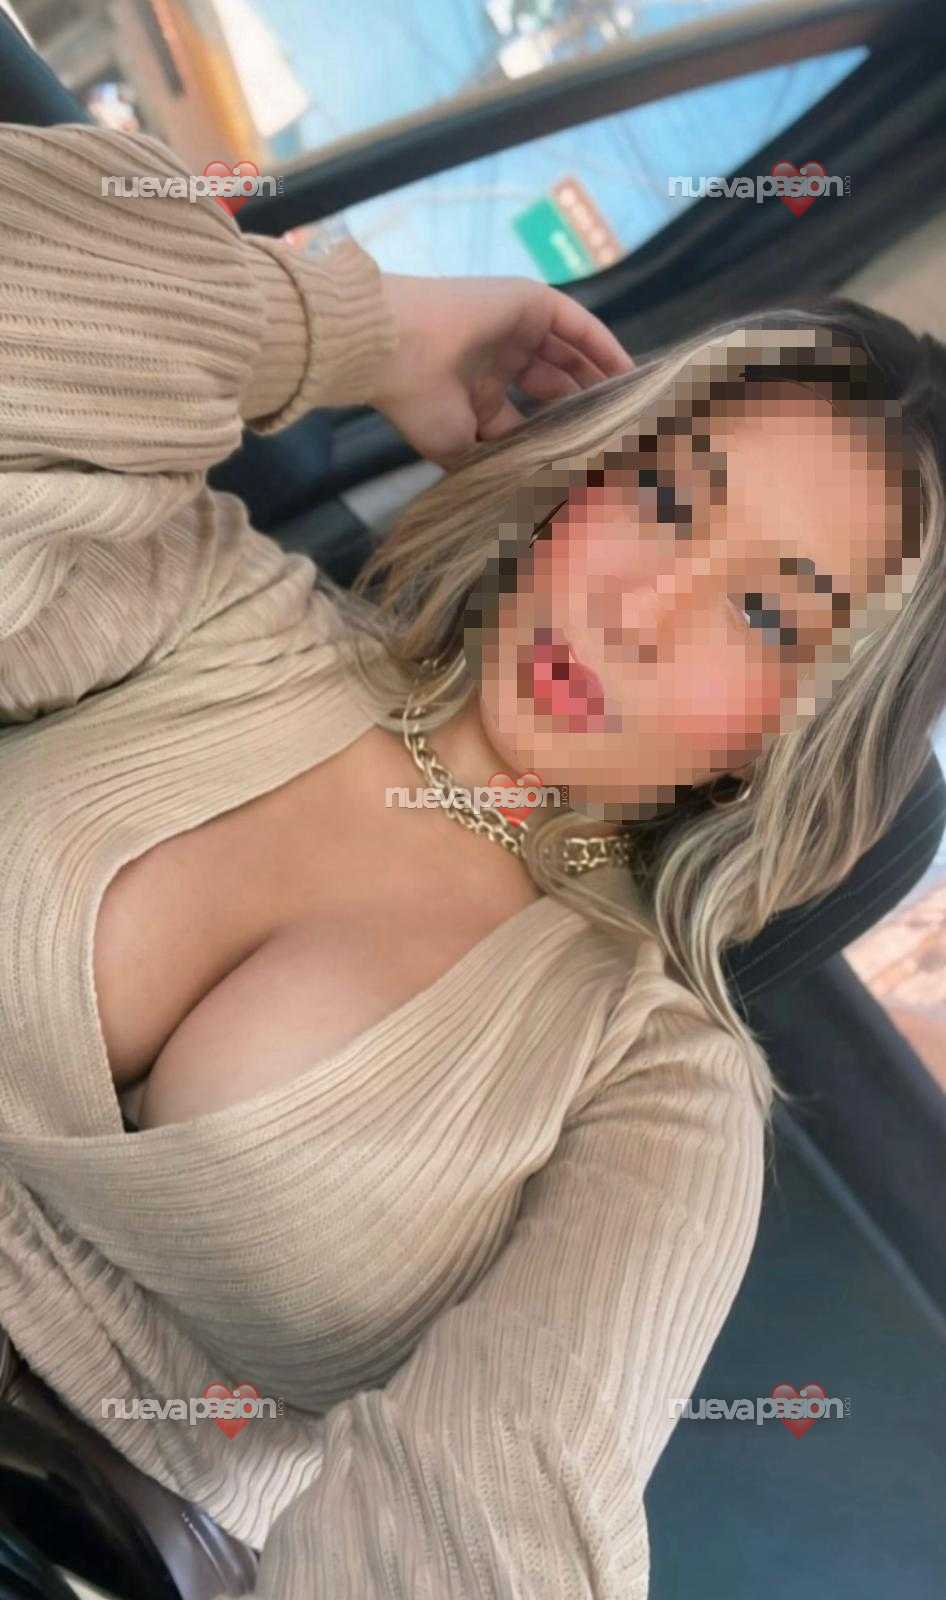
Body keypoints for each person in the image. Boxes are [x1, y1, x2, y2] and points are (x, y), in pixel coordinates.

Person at [0, 120, 944, 1598]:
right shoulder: (211, 606)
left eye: (767, 615)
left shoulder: (655, 1088)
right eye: (666, 502)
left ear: (797, 737)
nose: (641, 610)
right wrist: (351, 326)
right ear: (581, 480)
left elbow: (494, 1525)